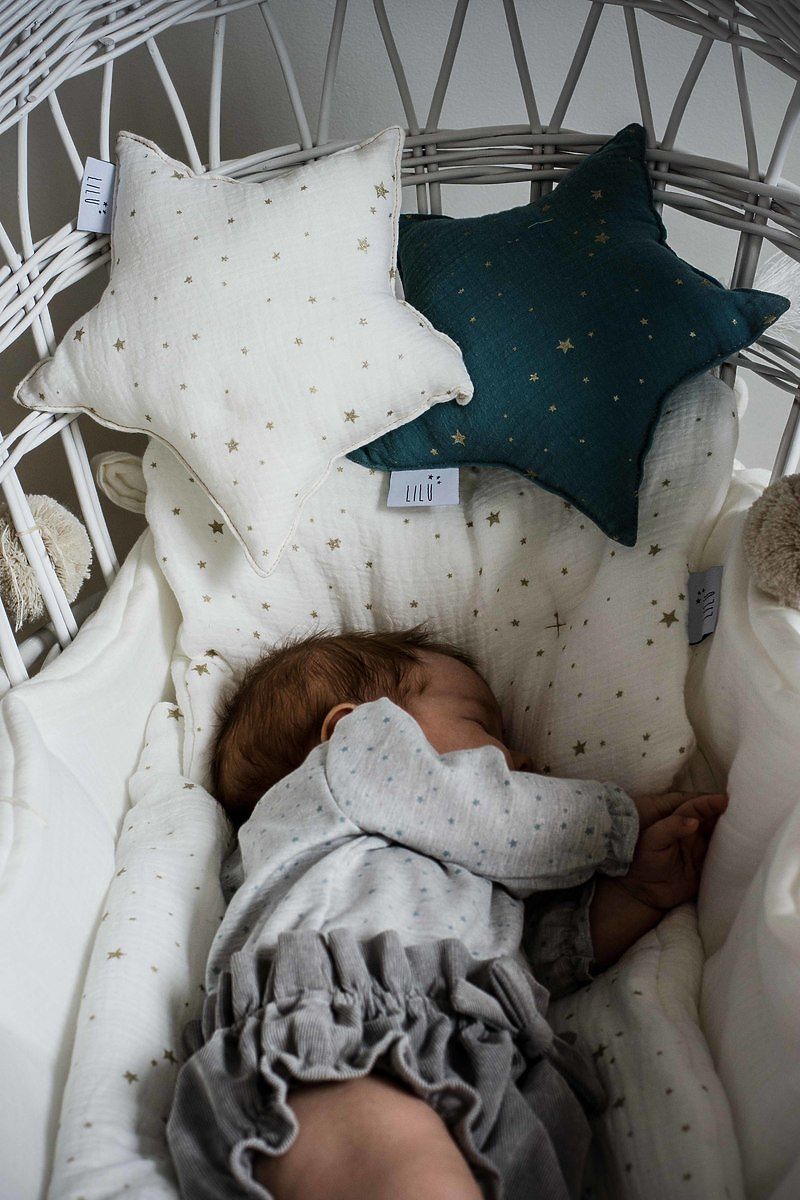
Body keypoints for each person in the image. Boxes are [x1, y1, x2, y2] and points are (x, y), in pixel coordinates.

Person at [166, 627, 727, 1200]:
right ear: (348, 726)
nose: (524, 759)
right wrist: (615, 822)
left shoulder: (469, 864)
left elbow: (527, 959)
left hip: (484, 1056)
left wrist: (637, 895)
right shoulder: (347, 766)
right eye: (482, 726)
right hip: (347, 1032)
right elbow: (492, 815)